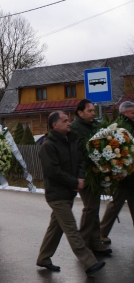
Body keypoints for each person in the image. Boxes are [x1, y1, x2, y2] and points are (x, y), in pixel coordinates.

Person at [36, 111, 105, 276]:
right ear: (55, 125)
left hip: (69, 192)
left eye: (69, 120)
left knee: (56, 228)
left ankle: (44, 258)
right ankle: (89, 262)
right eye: (65, 121)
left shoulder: (70, 139)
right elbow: (54, 172)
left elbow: (81, 160)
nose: (69, 123)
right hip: (57, 195)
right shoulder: (48, 146)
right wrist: (74, 182)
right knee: (71, 229)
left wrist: (80, 178)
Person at [70, 99, 112, 256]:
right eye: (90, 111)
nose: (93, 113)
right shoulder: (75, 128)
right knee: (91, 207)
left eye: (94, 110)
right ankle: (82, 243)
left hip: (95, 171)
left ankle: (95, 243)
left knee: (94, 207)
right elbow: (83, 149)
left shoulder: (94, 126)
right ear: (80, 113)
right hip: (83, 173)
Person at [100, 101, 134, 243]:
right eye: (132, 112)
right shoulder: (119, 128)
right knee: (115, 205)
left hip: (131, 174)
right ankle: (101, 233)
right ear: (124, 113)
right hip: (124, 175)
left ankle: (101, 233)